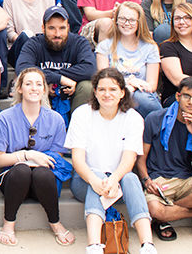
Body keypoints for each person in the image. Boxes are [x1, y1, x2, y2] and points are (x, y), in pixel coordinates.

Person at [66, 68, 156, 254]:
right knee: (97, 175)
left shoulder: (133, 118)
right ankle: (94, 245)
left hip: (119, 183)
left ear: (122, 92)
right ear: (95, 92)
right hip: (85, 181)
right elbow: (78, 159)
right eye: (102, 89)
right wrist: (95, 180)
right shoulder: (82, 114)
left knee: (131, 178)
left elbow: (129, 158)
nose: (107, 94)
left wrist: (113, 179)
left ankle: (147, 244)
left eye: (113, 89)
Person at [136, 76, 192, 242]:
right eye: (186, 96)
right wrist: (147, 180)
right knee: (154, 209)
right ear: (178, 97)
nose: (191, 102)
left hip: (186, 181)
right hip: (159, 180)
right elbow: (141, 158)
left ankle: (168, 214)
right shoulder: (155, 118)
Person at [0, 67, 75, 247]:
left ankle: (56, 223)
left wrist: (37, 161)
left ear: (45, 89)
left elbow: (55, 160)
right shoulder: (4, 118)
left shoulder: (56, 119)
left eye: (39, 84)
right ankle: (8, 225)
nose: (34, 88)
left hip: (43, 183)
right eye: (28, 83)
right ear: (19, 88)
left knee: (41, 173)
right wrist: (27, 155)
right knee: (22, 170)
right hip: (15, 181)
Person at [15, 5, 95, 110]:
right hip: (42, 96)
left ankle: (78, 124)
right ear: (43, 28)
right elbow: (22, 68)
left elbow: (90, 69)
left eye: (62, 28)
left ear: (68, 28)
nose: (57, 34)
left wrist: (51, 76)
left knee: (87, 87)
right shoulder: (34, 43)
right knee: (32, 84)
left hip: (73, 94)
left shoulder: (79, 42)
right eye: (52, 28)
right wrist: (58, 79)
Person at [95, 2, 161, 118]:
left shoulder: (150, 47)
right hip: (114, 94)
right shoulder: (104, 46)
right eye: (122, 19)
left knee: (142, 98)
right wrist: (128, 85)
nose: (126, 23)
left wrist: (135, 86)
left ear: (139, 22)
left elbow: (152, 85)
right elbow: (104, 81)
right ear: (116, 20)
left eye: (131, 20)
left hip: (143, 96)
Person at [3, 0, 56, 66]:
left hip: (43, 46)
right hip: (20, 46)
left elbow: (52, 26)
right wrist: (28, 42)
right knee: (27, 34)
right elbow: (9, 31)